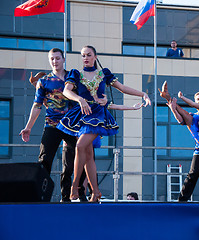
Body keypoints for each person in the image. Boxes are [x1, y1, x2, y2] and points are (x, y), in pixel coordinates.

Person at [57, 45, 150, 202]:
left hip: (98, 115)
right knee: (87, 156)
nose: (85, 58)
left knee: (80, 146)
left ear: (95, 56)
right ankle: (96, 192)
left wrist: (143, 94)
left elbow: (122, 88)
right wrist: (79, 99)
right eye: (83, 55)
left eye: (88, 55)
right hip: (83, 113)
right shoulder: (76, 74)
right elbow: (66, 91)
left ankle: (75, 186)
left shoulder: (104, 73)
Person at [19, 48, 81, 202]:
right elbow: (37, 106)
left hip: (71, 126)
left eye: (58, 58)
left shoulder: (72, 78)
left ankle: (67, 196)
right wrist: (28, 127)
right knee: (44, 160)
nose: (55, 61)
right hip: (52, 125)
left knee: (71, 162)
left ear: (63, 59)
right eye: (52, 59)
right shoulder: (44, 81)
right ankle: (40, 196)